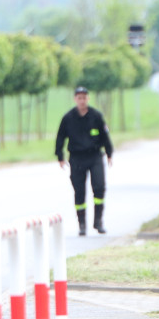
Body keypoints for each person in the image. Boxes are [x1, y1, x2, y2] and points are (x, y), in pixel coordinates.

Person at [55, 86, 114, 236]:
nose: (82, 101)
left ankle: (98, 221)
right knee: (79, 191)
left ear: (88, 98)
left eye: (84, 97)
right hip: (77, 158)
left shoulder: (96, 116)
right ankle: (81, 224)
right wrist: (60, 156)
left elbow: (105, 136)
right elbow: (60, 137)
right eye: (79, 98)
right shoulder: (68, 118)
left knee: (99, 187)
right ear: (75, 99)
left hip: (94, 156)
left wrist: (109, 153)